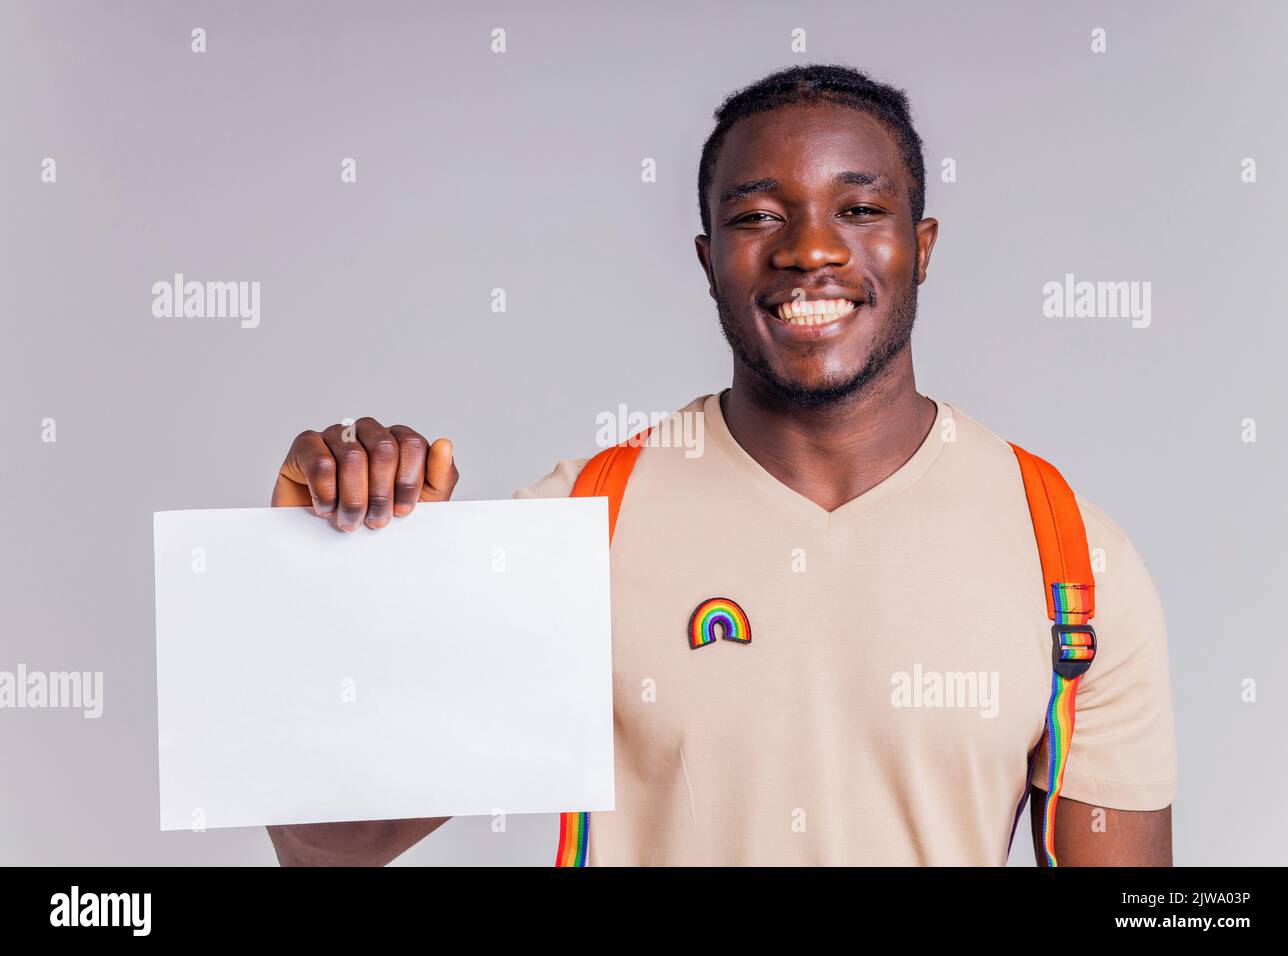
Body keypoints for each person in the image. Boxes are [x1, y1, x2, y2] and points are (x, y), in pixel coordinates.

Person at [265, 64, 1175, 866]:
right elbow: (335, 848)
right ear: (709, 262)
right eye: (757, 216)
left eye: (859, 209)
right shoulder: (582, 525)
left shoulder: (1069, 556)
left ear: (921, 248)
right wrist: (331, 574)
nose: (810, 250)